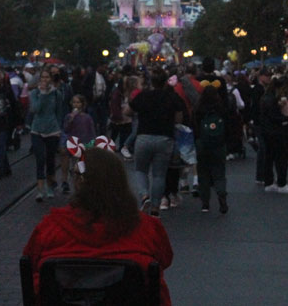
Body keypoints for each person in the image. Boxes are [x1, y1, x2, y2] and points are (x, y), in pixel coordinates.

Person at [23, 147, 174, 305]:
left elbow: (30, 261)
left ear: (80, 182)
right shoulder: (147, 228)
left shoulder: (49, 228)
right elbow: (165, 259)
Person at [129, 68, 185, 216]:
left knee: (140, 170)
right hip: (164, 138)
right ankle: (155, 206)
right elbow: (179, 117)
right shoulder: (171, 97)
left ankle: (144, 195)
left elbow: (128, 111)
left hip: (144, 136)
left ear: (151, 81)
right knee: (159, 175)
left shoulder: (143, 96)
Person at [194, 85, 229, 213]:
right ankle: (221, 194)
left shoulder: (199, 109)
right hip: (218, 144)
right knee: (219, 172)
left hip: (202, 143)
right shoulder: (221, 109)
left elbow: (194, 126)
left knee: (203, 172)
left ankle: (205, 203)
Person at [29, 69, 63, 201]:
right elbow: (35, 109)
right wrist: (42, 94)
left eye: (47, 77)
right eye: (42, 77)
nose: (44, 80)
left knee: (50, 159)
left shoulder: (57, 94)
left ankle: (50, 186)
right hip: (37, 129)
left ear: (51, 79)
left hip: (52, 129)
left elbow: (59, 111)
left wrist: (59, 128)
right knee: (40, 158)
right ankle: (40, 189)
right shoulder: (34, 93)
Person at [62, 94, 97, 193]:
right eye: (74, 102)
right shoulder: (69, 116)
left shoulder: (87, 117)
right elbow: (65, 129)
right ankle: (74, 187)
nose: (76, 105)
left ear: (82, 104)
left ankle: (81, 187)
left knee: (82, 167)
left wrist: (93, 143)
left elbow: (91, 131)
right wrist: (71, 119)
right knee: (75, 166)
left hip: (83, 145)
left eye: (78, 102)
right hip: (72, 144)